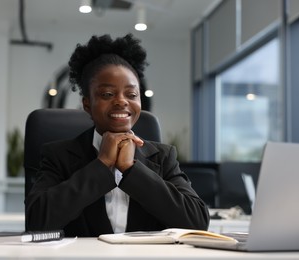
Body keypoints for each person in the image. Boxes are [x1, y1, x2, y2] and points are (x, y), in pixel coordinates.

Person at [25, 34, 210, 237]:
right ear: (87, 104)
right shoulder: (59, 156)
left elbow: (197, 222)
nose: (121, 101)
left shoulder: (162, 157)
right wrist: (102, 164)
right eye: (107, 94)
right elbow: (36, 221)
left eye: (131, 95)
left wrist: (131, 169)